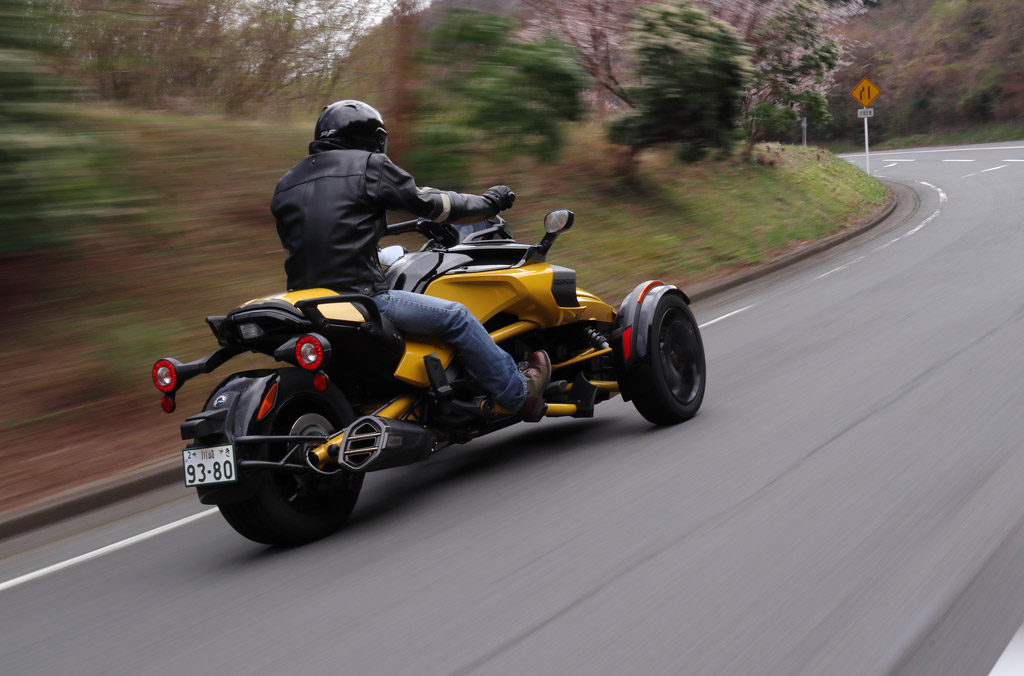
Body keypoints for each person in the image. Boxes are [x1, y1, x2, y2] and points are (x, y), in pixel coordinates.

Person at [271, 100, 550, 419]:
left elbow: (303, 239)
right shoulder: (368, 165)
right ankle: (517, 391)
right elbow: (433, 204)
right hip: (362, 298)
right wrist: (488, 202)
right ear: (372, 137)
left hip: (306, 302)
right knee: (457, 316)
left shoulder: (286, 182)